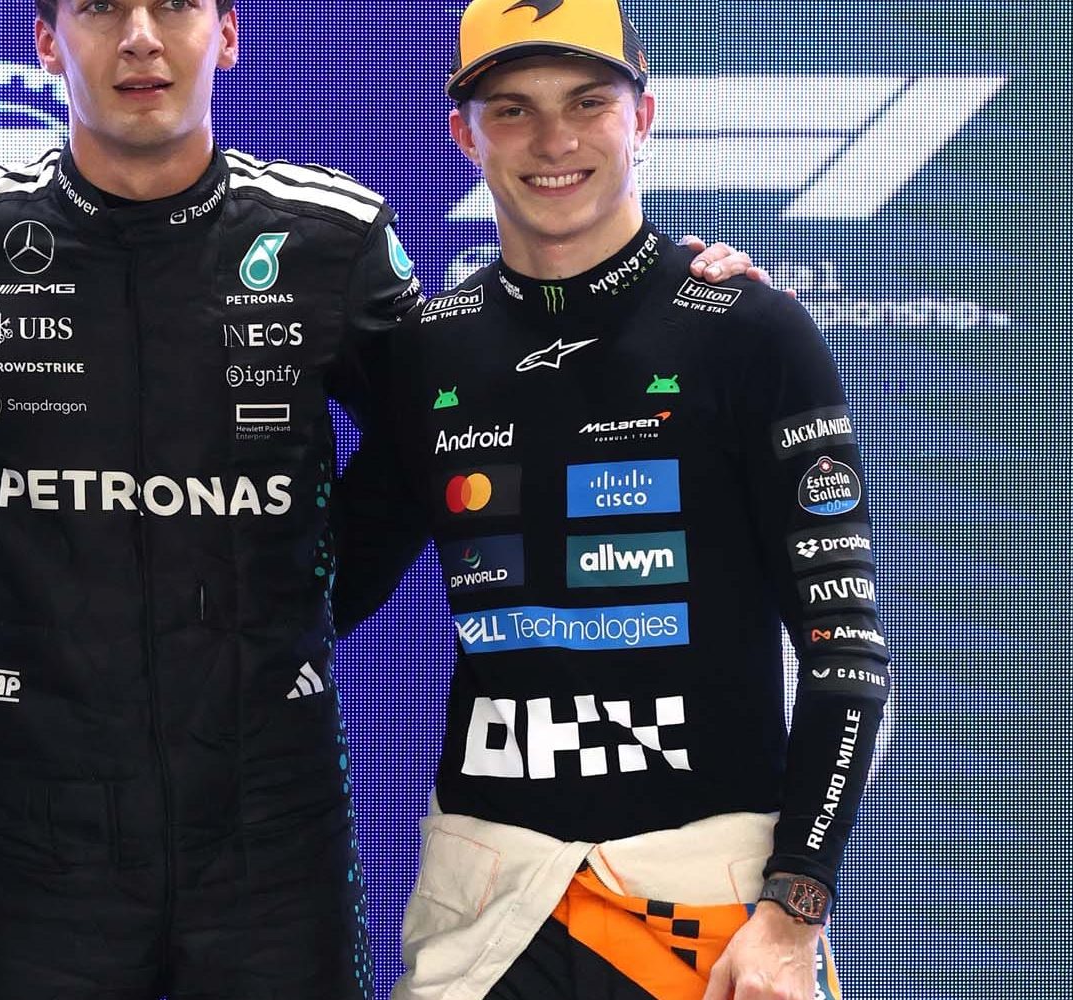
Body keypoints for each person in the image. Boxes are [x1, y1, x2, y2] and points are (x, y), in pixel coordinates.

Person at [0, 1, 762, 995]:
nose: (142, 38)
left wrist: (666, 291)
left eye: (175, 5)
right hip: (40, 829)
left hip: (270, 826)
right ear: (49, 40)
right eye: (101, 7)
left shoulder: (329, 236)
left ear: (231, 32)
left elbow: (462, 410)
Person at [330, 1, 891, 998]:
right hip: (486, 901)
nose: (555, 141)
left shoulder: (751, 328)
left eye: (589, 101)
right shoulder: (429, 352)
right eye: (513, 110)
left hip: (712, 906)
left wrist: (792, 909)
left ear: (644, 114)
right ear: (464, 133)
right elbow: (314, 594)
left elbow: (845, 654)